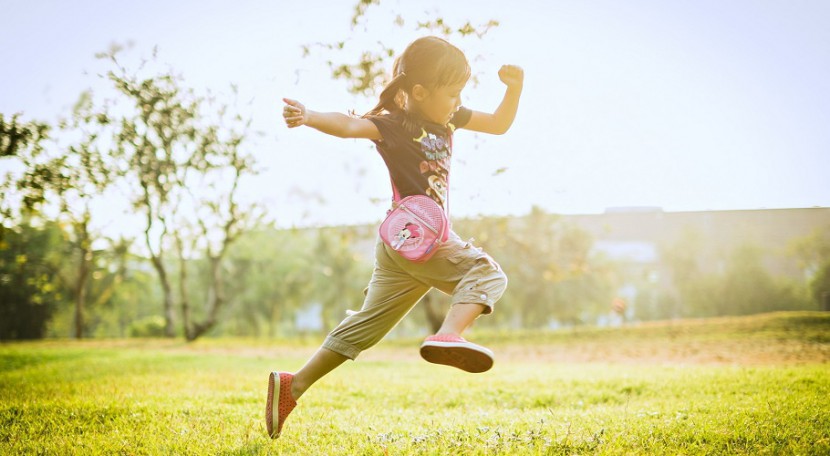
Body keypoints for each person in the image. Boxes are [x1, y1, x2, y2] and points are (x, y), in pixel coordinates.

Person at [268, 36, 523, 439]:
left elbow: (499, 123)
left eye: (461, 93)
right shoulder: (393, 125)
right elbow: (350, 125)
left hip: (399, 245)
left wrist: (514, 89)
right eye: (452, 93)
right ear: (419, 91)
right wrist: (310, 115)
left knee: (366, 327)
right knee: (488, 275)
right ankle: (449, 334)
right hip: (420, 239)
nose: (458, 101)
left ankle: (292, 385)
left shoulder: (448, 118)